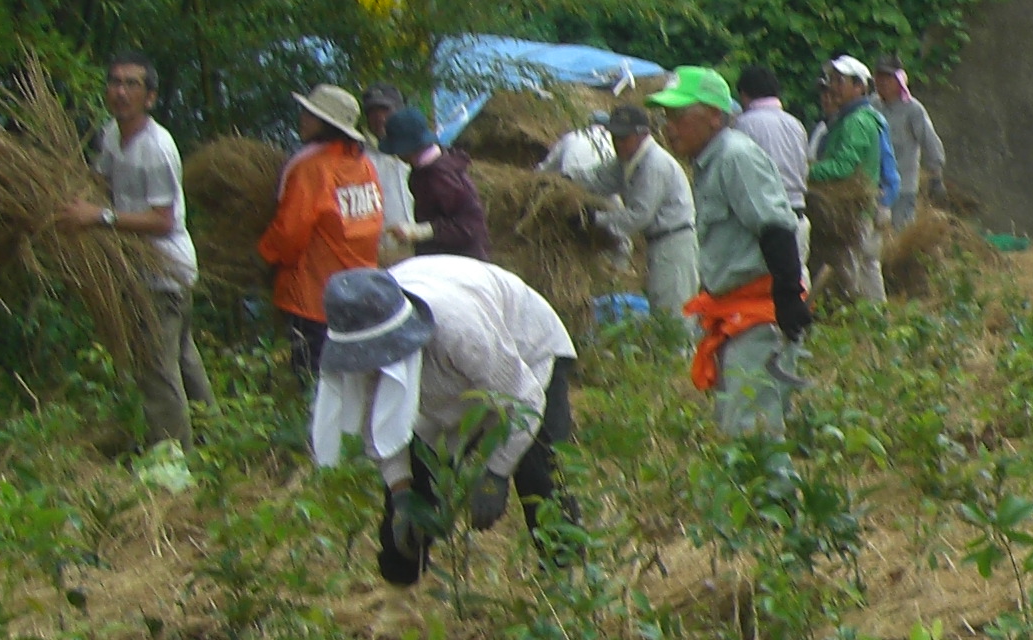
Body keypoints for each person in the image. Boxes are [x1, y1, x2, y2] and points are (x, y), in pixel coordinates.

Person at [306, 258, 577, 586]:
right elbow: (379, 428)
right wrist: (402, 491)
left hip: (524, 351)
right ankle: (398, 601)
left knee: (539, 473)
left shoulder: (461, 332)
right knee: (413, 495)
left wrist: (495, 473)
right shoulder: (358, 339)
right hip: (452, 378)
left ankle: (566, 588)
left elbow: (526, 400)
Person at [55, 51, 208, 455]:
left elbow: (162, 220)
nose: (120, 91)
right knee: (183, 361)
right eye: (115, 82)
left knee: (158, 370)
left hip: (164, 273)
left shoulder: (156, 149)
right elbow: (101, 179)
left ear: (150, 97)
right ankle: (215, 440)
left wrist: (97, 217)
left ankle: (174, 460)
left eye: (132, 84)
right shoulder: (111, 134)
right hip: (145, 271)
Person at [654, 65, 809, 437]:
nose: (669, 126)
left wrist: (787, 296)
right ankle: (766, 494)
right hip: (734, 312)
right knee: (740, 424)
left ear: (713, 115)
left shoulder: (735, 156)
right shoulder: (710, 160)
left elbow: (775, 225)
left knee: (750, 430)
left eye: (678, 115)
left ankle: (773, 496)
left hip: (759, 312)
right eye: (666, 116)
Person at [258, 84, 390, 377]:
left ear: (325, 124)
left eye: (309, 114)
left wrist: (265, 256)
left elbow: (290, 232)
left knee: (314, 380)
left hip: (313, 296)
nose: (302, 118)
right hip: (359, 292)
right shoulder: (364, 165)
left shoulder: (310, 168)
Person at [574, 101, 698, 319]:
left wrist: (595, 219)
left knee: (673, 314)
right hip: (659, 243)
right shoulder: (627, 161)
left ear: (643, 134)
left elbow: (638, 216)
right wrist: (563, 181)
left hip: (674, 243)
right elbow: (598, 180)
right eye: (615, 137)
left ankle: (682, 353)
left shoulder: (654, 164)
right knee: (660, 306)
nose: (618, 143)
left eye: (624, 137)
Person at [808, 56, 892, 305]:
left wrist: (807, 172)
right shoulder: (852, 118)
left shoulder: (857, 121)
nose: (833, 86)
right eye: (832, 79)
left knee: (856, 270)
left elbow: (845, 166)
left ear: (859, 86)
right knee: (864, 268)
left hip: (854, 212)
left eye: (839, 80)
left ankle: (868, 322)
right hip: (856, 210)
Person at [380, 106, 489, 259]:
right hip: (442, 256)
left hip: (460, 262)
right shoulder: (424, 170)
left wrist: (422, 232)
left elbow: (470, 225)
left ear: (407, 148)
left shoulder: (438, 177)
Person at [732, 65, 810, 210]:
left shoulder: (744, 124)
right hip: (799, 211)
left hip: (766, 214)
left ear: (743, 94)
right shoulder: (796, 124)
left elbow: (737, 174)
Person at [875, 61, 945, 217]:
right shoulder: (872, 106)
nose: (883, 82)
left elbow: (929, 141)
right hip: (874, 187)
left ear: (899, 81)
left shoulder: (913, 109)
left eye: (889, 77)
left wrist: (936, 176)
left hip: (903, 189)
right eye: (880, 76)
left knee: (899, 234)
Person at [357, 82, 419, 236]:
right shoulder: (358, 157)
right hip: (379, 249)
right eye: (372, 111)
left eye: (385, 110)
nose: (379, 117)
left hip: (420, 248)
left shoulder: (418, 152)